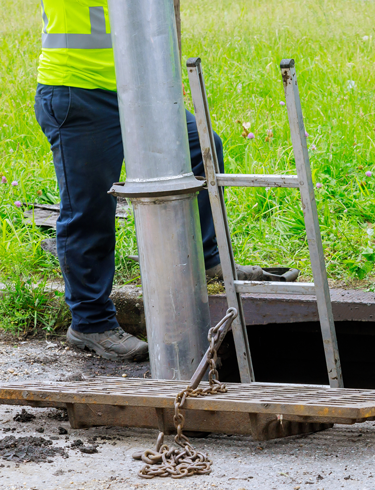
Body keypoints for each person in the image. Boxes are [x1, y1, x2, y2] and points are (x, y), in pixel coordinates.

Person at [34, 0, 229, 362]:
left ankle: (206, 259)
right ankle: (90, 323)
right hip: (80, 91)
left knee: (201, 149)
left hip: (139, 89)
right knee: (89, 208)